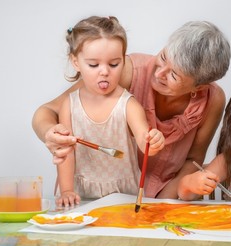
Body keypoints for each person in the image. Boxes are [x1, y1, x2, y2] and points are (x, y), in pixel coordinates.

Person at [32, 20, 231, 199]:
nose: (159, 73)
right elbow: (46, 111)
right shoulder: (125, 70)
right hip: (111, 194)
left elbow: (193, 160)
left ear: (200, 87)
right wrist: (50, 133)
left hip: (163, 192)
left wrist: (162, 203)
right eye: (163, 57)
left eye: (174, 75)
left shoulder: (213, 99)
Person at [55, 16, 164, 207]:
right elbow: (65, 151)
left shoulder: (128, 104)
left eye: (114, 64)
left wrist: (152, 142)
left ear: (123, 60)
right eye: (94, 65)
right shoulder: (69, 105)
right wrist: (66, 190)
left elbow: (143, 139)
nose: (104, 71)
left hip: (124, 197)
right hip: (80, 194)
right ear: (75, 62)